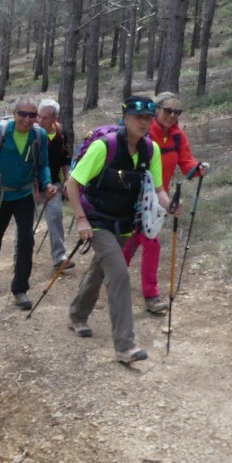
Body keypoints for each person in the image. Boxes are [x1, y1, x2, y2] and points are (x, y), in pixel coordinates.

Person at [66, 96, 173, 365]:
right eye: (138, 117)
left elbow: (158, 190)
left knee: (100, 269)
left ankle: (77, 314)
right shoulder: (106, 147)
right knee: (119, 274)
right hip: (97, 220)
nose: (144, 122)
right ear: (125, 119)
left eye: (148, 118)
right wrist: (81, 220)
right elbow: (72, 183)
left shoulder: (151, 150)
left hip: (125, 223)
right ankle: (125, 345)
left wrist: (171, 206)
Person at [123, 91, 207, 314]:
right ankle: (149, 293)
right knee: (146, 240)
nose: (172, 115)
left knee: (140, 238)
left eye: (176, 112)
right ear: (156, 110)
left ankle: (113, 271)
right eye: (167, 110)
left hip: (158, 198)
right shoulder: (144, 132)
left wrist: (197, 169)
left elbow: (186, 162)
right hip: (130, 195)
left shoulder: (178, 136)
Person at [0, 95, 56, 310]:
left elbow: (44, 165)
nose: (27, 119)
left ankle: (20, 289)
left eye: (32, 115)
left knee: (26, 239)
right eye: (23, 114)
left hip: (25, 195)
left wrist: (47, 183)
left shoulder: (39, 136)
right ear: (14, 114)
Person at [36, 99, 74, 274]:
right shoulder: (32, 133)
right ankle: (19, 255)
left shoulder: (61, 133)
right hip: (31, 185)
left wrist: (67, 179)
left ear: (55, 118)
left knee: (56, 217)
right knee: (26, 222)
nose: (39, 120)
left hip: (54, 184)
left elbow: (66, 158)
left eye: (44, 117)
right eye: (38, 116)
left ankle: (59, 258)